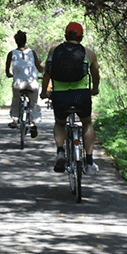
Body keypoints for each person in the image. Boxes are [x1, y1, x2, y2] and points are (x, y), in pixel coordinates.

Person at [41, 21, 100, 174]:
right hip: (81, 95)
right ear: (81, 37)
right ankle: (89, 161)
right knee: (87, 123)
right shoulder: (89, 53)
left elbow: (47, 73)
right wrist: (94, 89)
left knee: (60, 123)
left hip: (60, 95)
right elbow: (95, 74)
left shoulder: (54, 51)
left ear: (65, 35)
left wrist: (43, 91)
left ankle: (60, 151)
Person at [6, 30, 44, 137]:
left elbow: (7, 70)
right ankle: (33, 123)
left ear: (16, 41)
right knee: (34, 103)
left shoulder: (11, 54)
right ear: (25, 41)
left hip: (18, 83)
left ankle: (15, 120)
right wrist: (44, 70)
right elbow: (40, 69)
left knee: (16, 100)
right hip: (32, 83)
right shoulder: (32, 53)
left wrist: (9, 74)